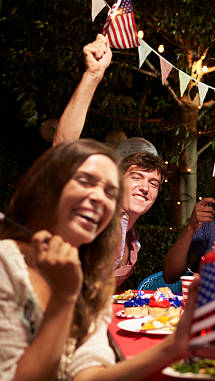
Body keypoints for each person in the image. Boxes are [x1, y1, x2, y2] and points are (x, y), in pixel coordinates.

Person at [0, 140, 215, 381]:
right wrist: (64, 297)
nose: (100, 197)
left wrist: (177, 344)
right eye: (86, 181)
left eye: (110, 191)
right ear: (50, 188)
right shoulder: (8, 262)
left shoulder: (92, 280)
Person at [53, 34, 166, 288]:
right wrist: (93, 76)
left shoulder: (132, 237)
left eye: (153, 182)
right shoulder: (95, 214)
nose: (145, 187)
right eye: (136, 176)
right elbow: (63, 147)